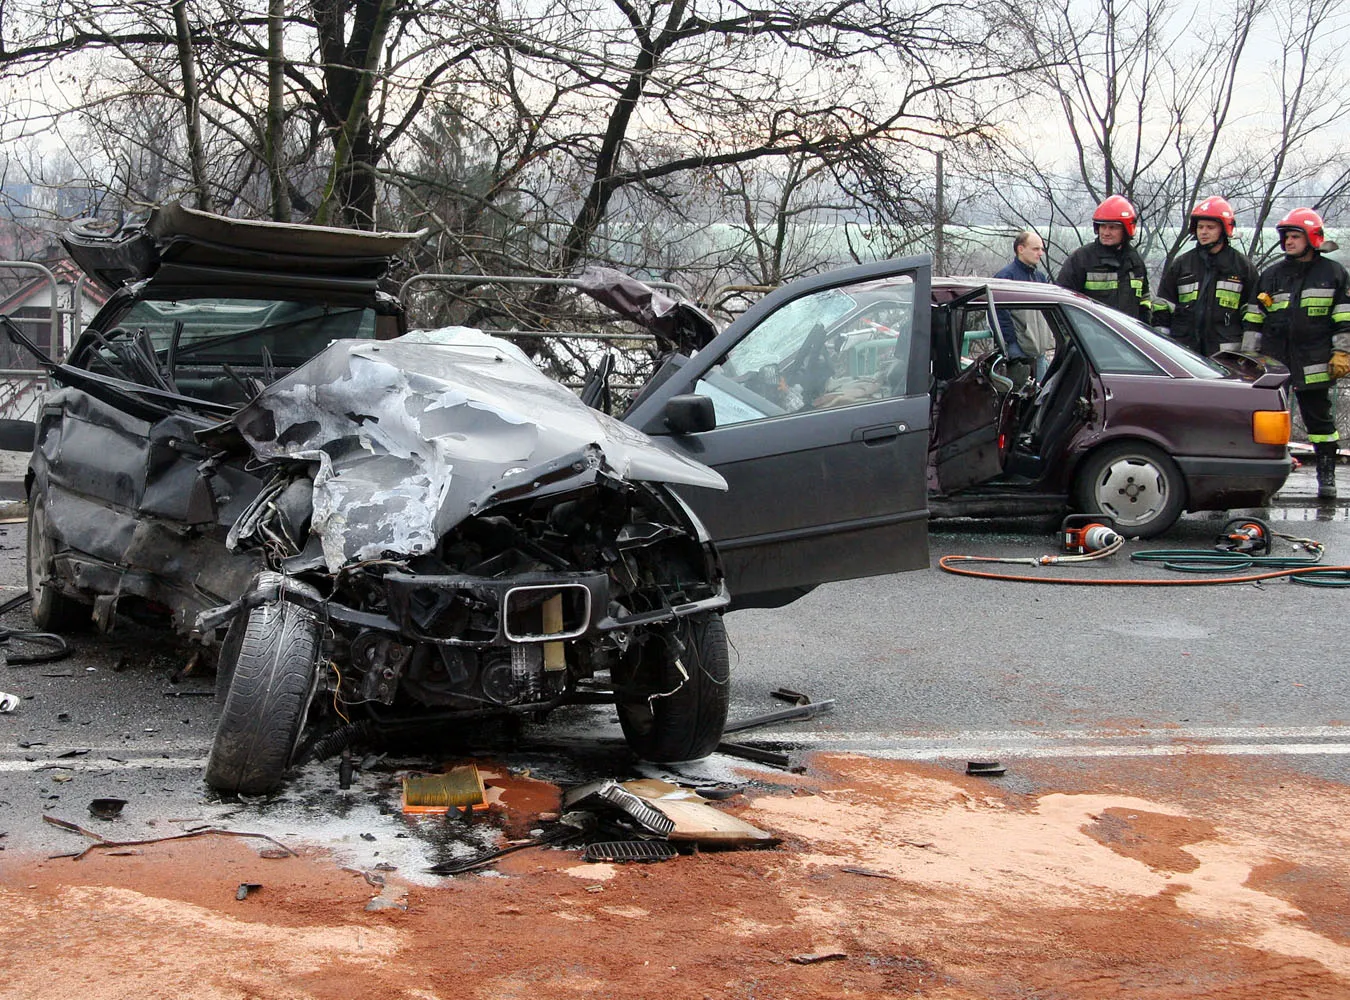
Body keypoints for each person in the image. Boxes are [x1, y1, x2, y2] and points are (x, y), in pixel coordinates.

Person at [1242, 207, 1350, 499]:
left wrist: (1342, 352)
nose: (1288, 242)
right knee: (1270, 421)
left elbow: (1344, 318)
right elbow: (1254, 319)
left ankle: (1326, 477)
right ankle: (1266, 482)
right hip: (1275, 361)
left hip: (1316, 359)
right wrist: (1249, 360)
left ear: (1312, 238)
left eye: (1294, 236)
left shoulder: (1334, 273)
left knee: (1320, 422)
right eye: (1286, 237)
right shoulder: (1272, 275)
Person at [1152, 197, 1259, 356]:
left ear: (1224, 229)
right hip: (1184, 354)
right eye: (1200, 227)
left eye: (1210, 227)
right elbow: (1162, 309)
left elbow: (1253, 316)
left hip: (1226, 356)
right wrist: (1162, 351)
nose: (1203, 232)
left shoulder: (1242, 267)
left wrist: (1250, 355)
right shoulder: (1181, 264)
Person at [1056, 195, 1152, 323]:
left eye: (1112, 227)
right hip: (1091, 339)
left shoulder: (1135, 262)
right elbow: (1062, 301)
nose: (1106, 232)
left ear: (1126, 229)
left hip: (1127, 337)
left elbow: (1144, 301)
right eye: (1103, 226)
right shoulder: (1081, 259)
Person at [993, 231, 1052, 382]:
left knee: (1040, 395)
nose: (1040, 253)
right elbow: (999, 315)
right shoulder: (1006, 277)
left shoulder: (1040, 278)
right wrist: (1011, 343)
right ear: (1021, 249)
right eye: (1035, 249)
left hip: (1038, 351)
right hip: (1018, 350)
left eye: (1041, 249)